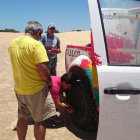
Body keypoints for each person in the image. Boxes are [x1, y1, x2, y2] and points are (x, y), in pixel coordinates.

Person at [8, 21, 56, 140]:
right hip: (36, 90)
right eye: (40, 35)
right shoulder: (36, 45)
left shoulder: (13, 44)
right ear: (38, 33)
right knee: (39, 120)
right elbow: (43, 69)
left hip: (20, 89)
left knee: (22, 118)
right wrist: (50, 82)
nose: (40, 38)